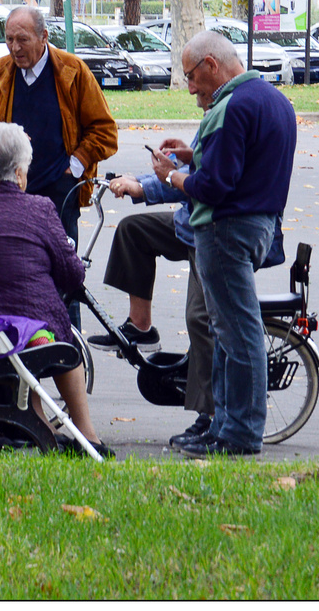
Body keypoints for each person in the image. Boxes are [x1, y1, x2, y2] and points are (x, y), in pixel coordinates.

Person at [147, 30, 296, 458]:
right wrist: (193, 156)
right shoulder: (273, 100)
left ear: (212, 64)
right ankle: (223, 426)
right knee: (230, 332)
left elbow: (213, 187)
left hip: (225, 229)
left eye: (192, 76)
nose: (191, 87)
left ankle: (240, 433)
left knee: (237, 335)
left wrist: (172, 177)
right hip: (259, 224)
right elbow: (245, 162)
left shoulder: (228, 107)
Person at [0, 122, 109, 458]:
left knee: (34, 330)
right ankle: (88, 436)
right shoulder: (39, 209)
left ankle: (27, 422)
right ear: (18, 173)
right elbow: (73, 277)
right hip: (22, 339)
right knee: (61, 340)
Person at [90, 164, 220, 451]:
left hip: (209, 231)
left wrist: (144, 187)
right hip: (190, 224)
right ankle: (141, 327)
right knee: (132, 230)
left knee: (199, 318)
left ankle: (211, 416)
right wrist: (137, 177)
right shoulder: (214, 118)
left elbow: (197, 178)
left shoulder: (224, 119)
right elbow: (191, 163)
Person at [0, 5, 118, 245]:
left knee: (61, 272)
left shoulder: (73, 72)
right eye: (10, 39)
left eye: (23, 39)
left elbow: (104, 130)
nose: (15, 48)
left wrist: (74, 167)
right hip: (7, 191)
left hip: (59, 192)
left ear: (44, 37)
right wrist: (4, 140)